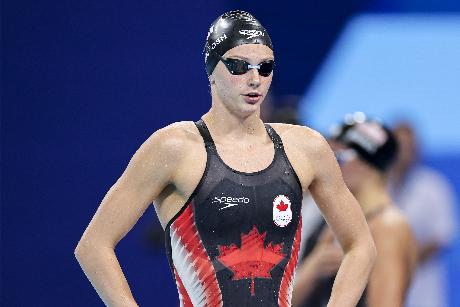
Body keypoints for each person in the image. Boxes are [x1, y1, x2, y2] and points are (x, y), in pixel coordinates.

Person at [74, 11, 376, 307]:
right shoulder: (175, 148)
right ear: (211, 69)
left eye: (265, 67)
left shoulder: (305, 148)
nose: (254, 79)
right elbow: (93, 246)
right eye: (239, 66)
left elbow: (361, 245)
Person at [293, 115, 418, 307]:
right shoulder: (339, 221)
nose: (324, 167)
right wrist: (314, 267)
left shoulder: (387, 228)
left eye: (336, 157)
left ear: (363, 163)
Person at [389, 122, 458, 307]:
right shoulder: (379, 186)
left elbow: (442, 236)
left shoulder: (434, 186)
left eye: (408, 147)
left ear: (417, 150)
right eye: (399, 146)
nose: (403, 153)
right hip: (384, 285)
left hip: (424, 287)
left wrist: (404, 259)